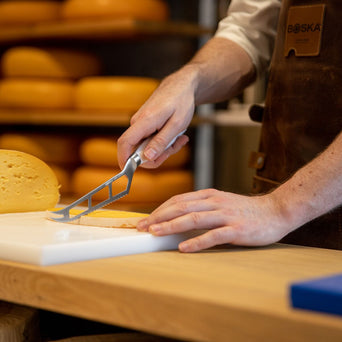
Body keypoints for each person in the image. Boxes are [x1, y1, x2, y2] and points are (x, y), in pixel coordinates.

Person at [117, 0, 342, 252]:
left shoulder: (281, 209)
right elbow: (248, 33)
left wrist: (283, 207)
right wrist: (190, 80)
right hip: (273, 230)